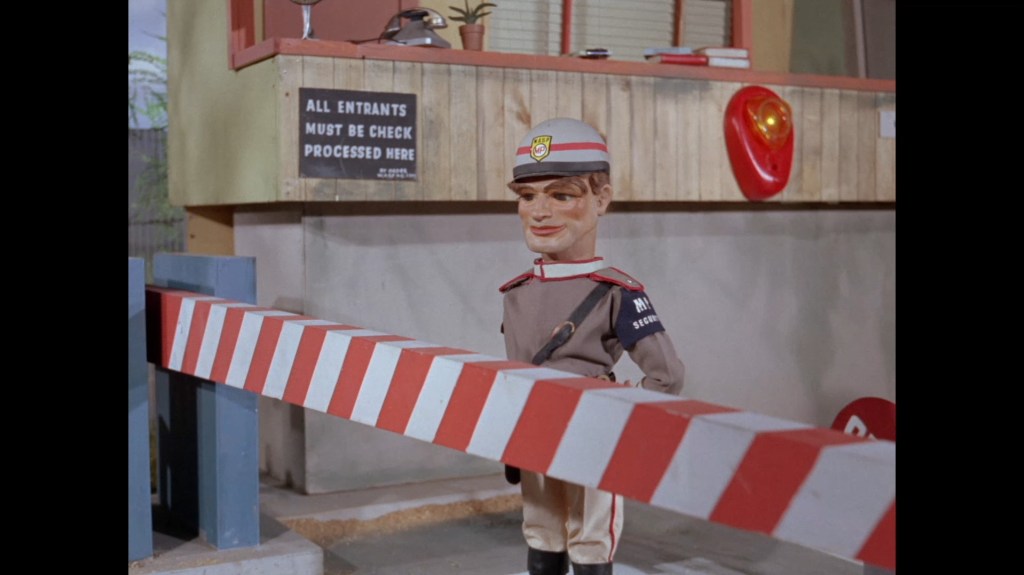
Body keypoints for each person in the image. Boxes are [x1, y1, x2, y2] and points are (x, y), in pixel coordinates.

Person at [499, 117, 686, 575]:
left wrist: (621, 419)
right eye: (528, 196)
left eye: (562, 195)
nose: (540, 211)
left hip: (590, 428)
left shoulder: (614, 292)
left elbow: (666, 375)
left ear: (601, 200)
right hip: (533, 428)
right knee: (541, 527)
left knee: (590, 535)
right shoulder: (517, 292)